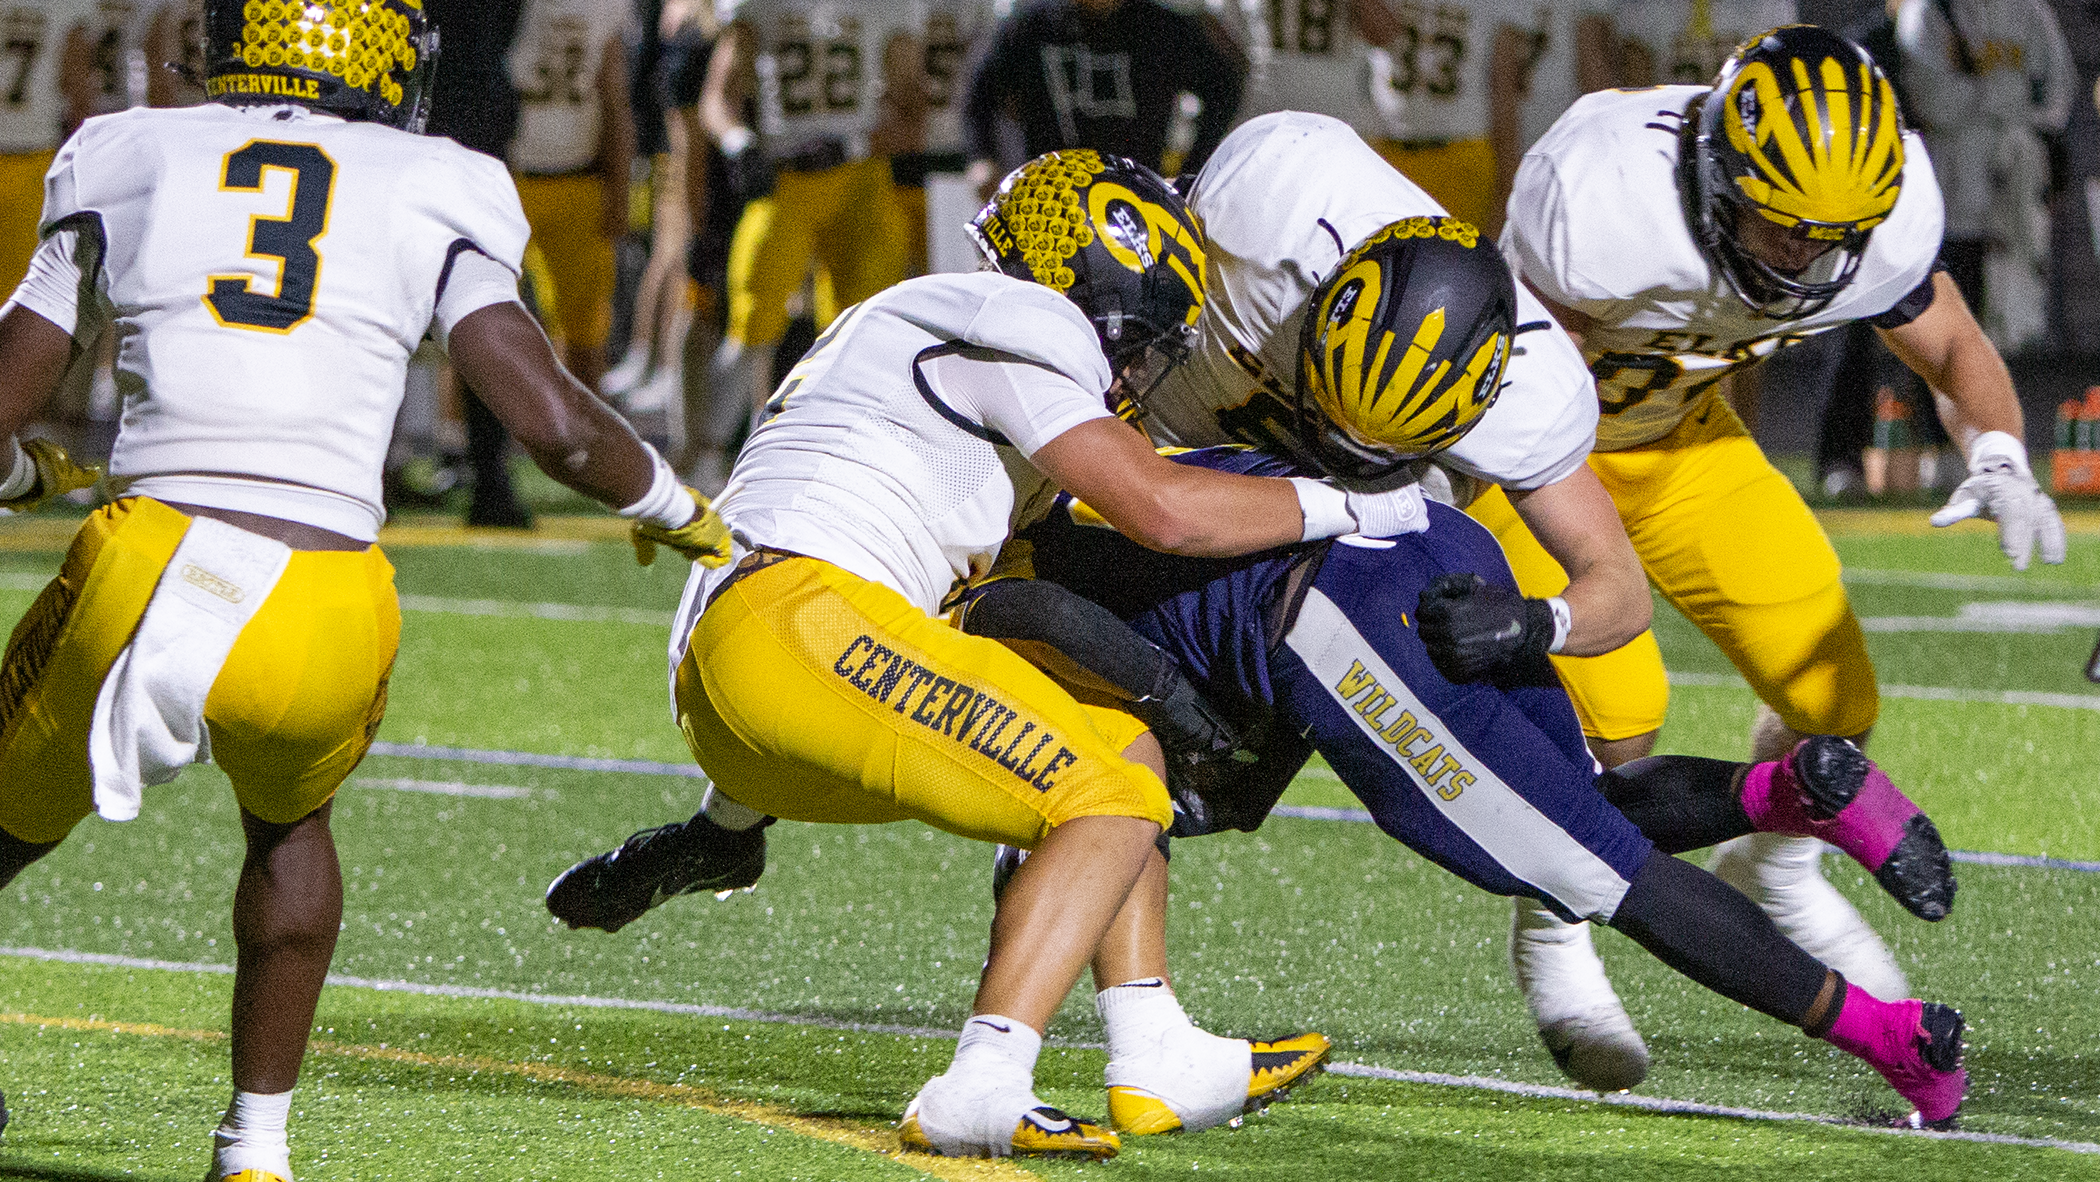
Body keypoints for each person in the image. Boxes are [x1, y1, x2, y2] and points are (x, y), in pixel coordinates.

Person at [548, 150, 1457, 1158]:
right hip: (797, 621)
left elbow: (1005, 606)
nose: (1145, 369)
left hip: (761, 694)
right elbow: (1159, 509)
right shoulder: (1020, 319)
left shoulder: (930, 359)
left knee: (1122, 749)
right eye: (1150, 337)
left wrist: (1158, 692)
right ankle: (980, 1084)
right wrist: (1364, 505)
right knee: (1105, 802)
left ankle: (1154, 1051)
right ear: (1108, 281)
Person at [0, 4, 733, 1179]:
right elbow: (554, 428)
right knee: (291, 831)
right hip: (330, 595)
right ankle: (257, 1148)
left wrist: (23, 473)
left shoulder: (129, 151)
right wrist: (678, 510)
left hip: (147, 569)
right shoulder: (441, 179)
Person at [965, 436, 1967, 1130]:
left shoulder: (981, 551)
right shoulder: (1092, 444)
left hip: (1345, 631)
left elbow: (1064, 628)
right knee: (1578, 807)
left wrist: (1184, 729)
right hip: (1426, 540)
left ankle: (1891, 1039)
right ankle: (1793, 794)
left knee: (1596, 876)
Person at [1493, 24, 2064, 1087]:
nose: (1802, 255)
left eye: (1829, 234)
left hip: (1682, 443)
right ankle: (1553, 925)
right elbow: (1531, 405)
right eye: (1779, 224)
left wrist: (1997, 452)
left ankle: (1774, 859)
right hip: (1538, 458)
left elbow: (1949, 344)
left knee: (1832, 692)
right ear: (1717, 171)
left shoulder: (1871, 217)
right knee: (1618, 721)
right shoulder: (1604, 199)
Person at [694, 0, 924, 471]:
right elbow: (716, 99)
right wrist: (739, 145)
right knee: (750, 321)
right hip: (785, 178)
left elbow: (912, 116)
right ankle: (709, 458)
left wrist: (851, 144)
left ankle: (855, 457)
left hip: (860, 179)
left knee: (865, 327)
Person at [1892, 0, 2073, 353]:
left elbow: (2058, 91)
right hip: (1948, 206)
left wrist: (1989, 101)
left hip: (2013, 204)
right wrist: (2005, 95)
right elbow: (1932, 98)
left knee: (2008, 332)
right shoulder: (1928, 10)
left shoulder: (2030, 12)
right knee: (1946, 340)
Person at [959, 0, 1243, 201]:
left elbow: (1225, 85)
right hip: (1048, 199)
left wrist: (1193, 169)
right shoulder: (1031, 26)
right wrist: (981, 159)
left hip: (1136, 200)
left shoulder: (1161, 29)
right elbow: (977, 96)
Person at [507, 0, 637, 393]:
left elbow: (613, 97)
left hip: (577, 175)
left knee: (585, 333)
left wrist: (618, 188)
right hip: (510, 174)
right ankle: (468, 445)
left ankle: (579, 440)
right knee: (481, 314)